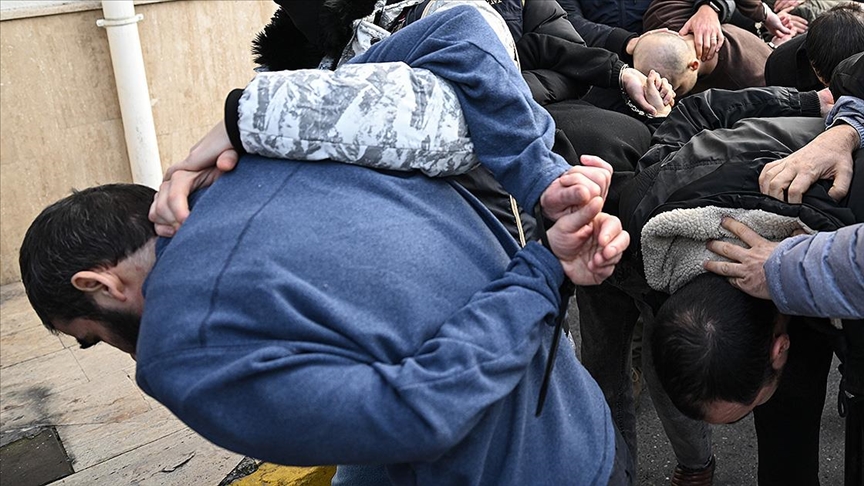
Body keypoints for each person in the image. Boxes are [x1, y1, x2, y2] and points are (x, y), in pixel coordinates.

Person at [20, 6, 634, 485]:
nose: (122, 354)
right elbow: (464, 32)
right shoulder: (283, 133)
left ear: (97, 283)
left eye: (91, 336)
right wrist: (544, 179)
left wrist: (544, 265)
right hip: (585, 429)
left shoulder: (180, 354)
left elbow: (415, 415)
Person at [634, 15, 773, 96]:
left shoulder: (748, 87)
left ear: (693, 65)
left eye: (678, 89)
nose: (672, 96)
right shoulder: (665, 15)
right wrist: (708, 7)